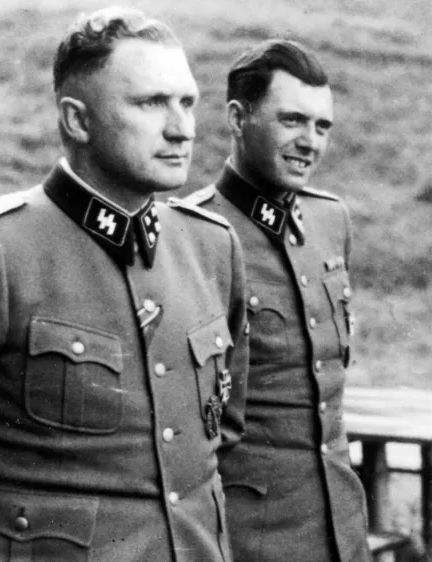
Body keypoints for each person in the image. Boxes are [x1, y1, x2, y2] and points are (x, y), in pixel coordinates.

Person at [0, 7, 248, 562]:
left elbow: (220, 431)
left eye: (186, 101)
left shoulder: (211, 245)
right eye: (149, 103)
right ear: (77, 120)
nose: (180, 127)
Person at [177, 39, 370, 562]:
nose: (310, 142)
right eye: (292, 121)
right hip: (249, 537)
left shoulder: (330, 221)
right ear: (239, 117)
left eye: (323, 126)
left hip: (340, 527)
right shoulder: (190, 237)